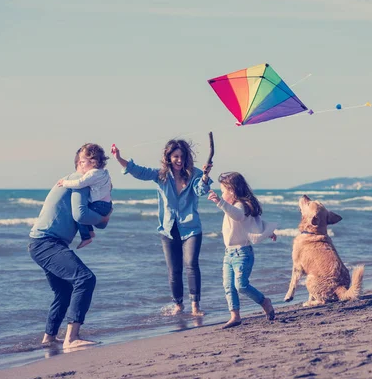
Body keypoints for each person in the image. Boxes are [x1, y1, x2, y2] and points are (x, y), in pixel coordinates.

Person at [111, 140, 212, 316]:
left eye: (182, 157)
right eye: (175, 157)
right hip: (168, 228)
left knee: (191, 264)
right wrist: (119, 158)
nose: (179, 160)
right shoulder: (161, 175)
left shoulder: (195, 174)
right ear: (169, 157)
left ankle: (195, 306)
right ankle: (178, 305)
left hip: (191, 227)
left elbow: (201, 190)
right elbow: (139, 171)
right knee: (174, 269)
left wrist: (204, 177)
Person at [28, 144, 112, 349]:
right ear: (79, 164)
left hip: (40, 243)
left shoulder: (72, 180)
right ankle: (72, 338)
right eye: (86, 162)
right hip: (46, 243)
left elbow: (79, 218)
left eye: (95, 162)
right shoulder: (79, 183)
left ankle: (49, 338)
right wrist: (103, 218)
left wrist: (90, 230)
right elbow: (81, 215)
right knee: (85, 279)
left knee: (64, 291)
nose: (93, 167)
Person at [207, 172, 277, 329]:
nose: (222, 194)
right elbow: (252, 224)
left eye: (223, 190)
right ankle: (235, 316)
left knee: (241, 285)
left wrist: (219, 202)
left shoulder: (241, 207)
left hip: (242, 254)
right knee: (228, 285)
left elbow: (238, 216)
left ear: (232, 190)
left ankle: (264, 301)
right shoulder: (232, 207)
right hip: (228, 254)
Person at [57, 143, 113, 249]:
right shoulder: (104, 172)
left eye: (83, 162)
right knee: (83, 212)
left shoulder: (93, 174)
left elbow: (79, 183)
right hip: (106, 205)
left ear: (93, 161)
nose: (81, 164)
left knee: (79, 213)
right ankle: (90, 232)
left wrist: (64, 183)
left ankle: (86, 237)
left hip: (99, 205)